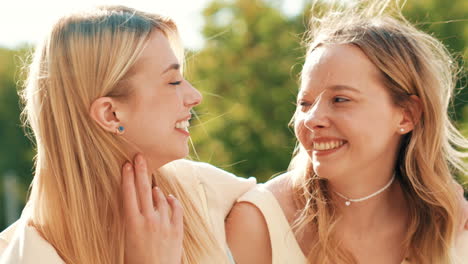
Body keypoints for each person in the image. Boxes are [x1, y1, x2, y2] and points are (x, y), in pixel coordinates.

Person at [0, 5, 254, 264]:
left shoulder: (202, 190)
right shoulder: (29, 255)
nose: (195, 97)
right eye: (173, 81)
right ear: (110, 114)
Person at [226, 0, 468, 263]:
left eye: (340, 99)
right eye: (304, 103)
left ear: (407, 114)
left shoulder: (449, 227)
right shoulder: (260, 220)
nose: (312, 119)